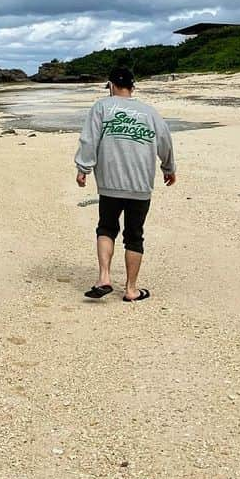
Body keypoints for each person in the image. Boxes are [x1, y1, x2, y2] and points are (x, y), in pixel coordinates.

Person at [74, 62, 176, 302]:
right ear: (132, 87)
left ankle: (104, 278)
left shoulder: (101, 107)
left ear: (110, 86)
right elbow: (165, 141)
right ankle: (131, 290)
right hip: (140, 185)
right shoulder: (149, 112)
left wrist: (83, 168)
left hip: (110, 183)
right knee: (134, 235)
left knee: (106, 228)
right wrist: (169, 168)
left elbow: (89, 139)